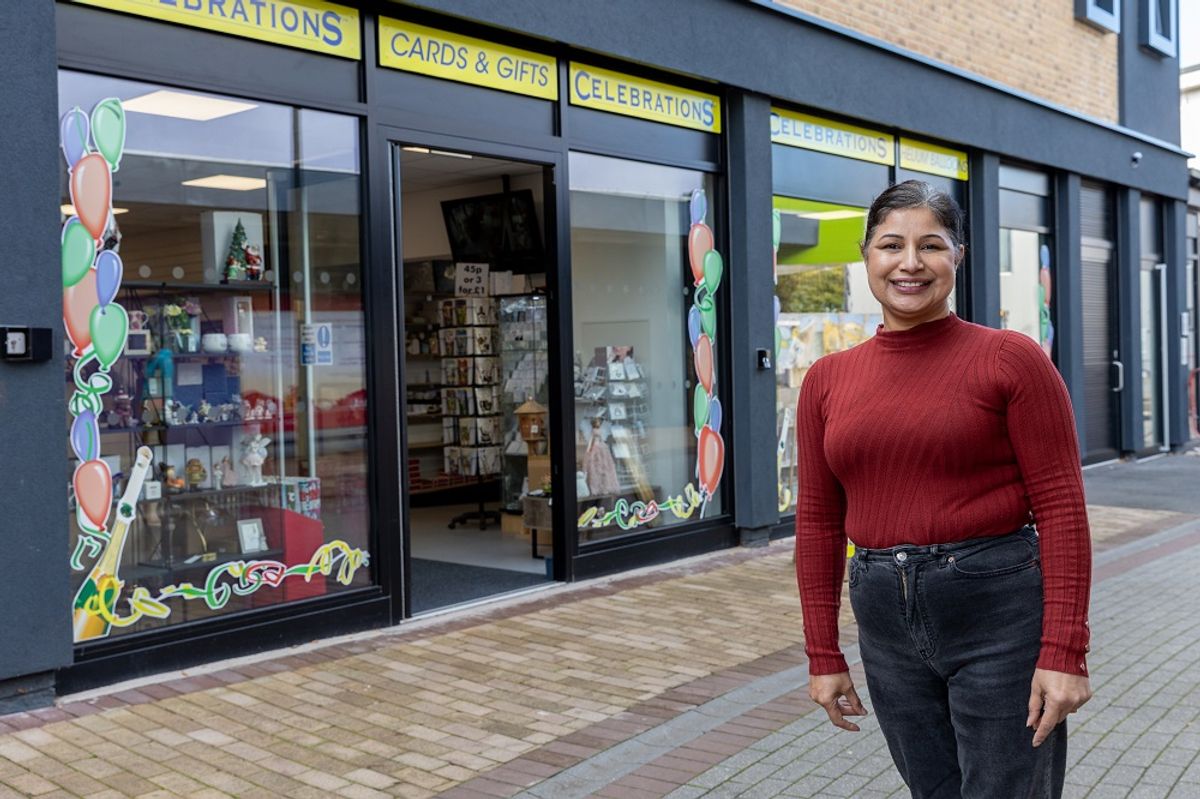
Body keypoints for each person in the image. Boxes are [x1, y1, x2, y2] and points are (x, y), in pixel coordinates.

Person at [795, 180, 1092, 798]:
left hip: (998, 614)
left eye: (930, 245)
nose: (909, 263)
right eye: (890, 245)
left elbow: (1062, 508)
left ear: (957, 255)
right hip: (884, 619)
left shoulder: (1011, 359)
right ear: (866, 255)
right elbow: (820, 523)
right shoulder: (827, 380)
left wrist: (1064, 651)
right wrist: (823, 654)